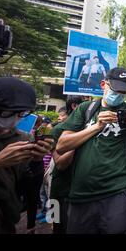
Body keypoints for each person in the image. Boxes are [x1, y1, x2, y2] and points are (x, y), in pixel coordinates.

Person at [56, 67, 126, 234]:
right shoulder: (86, 109)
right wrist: (96, 127)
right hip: (82, 194)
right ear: (103, 85)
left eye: (123, 91)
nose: (119, 94)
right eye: (115, 89)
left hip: (119, 192)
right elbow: (61, 146)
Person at [0, 78, 51, 233]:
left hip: (5, 221)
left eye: (22, 113)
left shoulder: (24, 139)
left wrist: (37, 162)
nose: (14, 119)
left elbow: (28, 187)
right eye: (6, 113)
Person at [49, 98, 84, 234]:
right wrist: (76, 140)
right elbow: (60, 164)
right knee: (57, 225)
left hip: (81, 191)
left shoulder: (91, 128)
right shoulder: (57, 130)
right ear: (75, 107)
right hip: (59, 191)